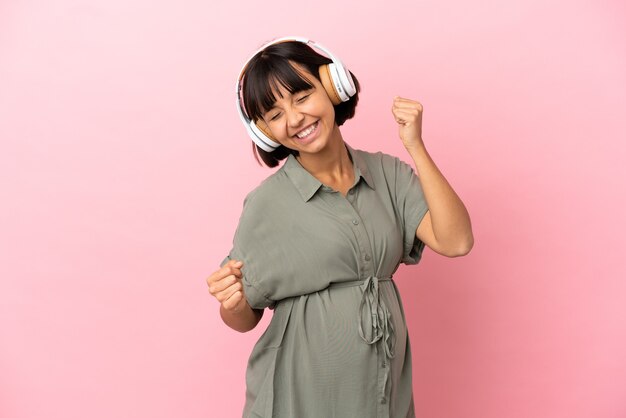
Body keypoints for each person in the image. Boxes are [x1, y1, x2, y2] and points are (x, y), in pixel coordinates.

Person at [206, 36, 473, 418]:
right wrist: (231, 303)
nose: (295, 119)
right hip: (297, 399)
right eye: (275, 114)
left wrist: (415, 146)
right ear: (263, 131)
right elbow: (244, 317)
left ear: (333, 85)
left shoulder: (388, 175)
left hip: (381, 391)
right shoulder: (267, 205)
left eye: (301, 97)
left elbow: (457, 240)